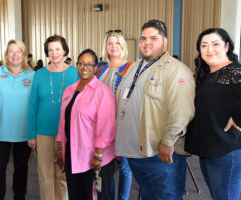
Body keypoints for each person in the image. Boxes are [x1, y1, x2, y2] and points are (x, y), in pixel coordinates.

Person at [115, 19, 195, 200]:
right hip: (135, 152)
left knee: (166, 196)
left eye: (154, 38)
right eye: (143, 38)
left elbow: (181, 110)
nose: (147, 42)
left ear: (165, 42)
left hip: (160, 153)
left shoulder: (176, 71)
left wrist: (168, 141)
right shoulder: (135, 67)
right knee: (149, 195)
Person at [185, 28, 241, 200]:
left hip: (229, 149)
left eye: (215, 44)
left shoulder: (236, 72)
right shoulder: (206, 75)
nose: (209, 49)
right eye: (204, 45)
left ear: (226, 46)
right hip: (210, 149)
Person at [56, 49, 116, 200]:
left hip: (95, 160)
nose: (85, 67)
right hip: (72, 155)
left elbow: (106, 128)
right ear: (77, 65)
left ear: (96, 67)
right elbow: (63, 121)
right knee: (76, 195)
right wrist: (59, 148)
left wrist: (98, 156)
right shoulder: (69, 90)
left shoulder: (103, 92)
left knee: (97, 196)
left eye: (90, 64)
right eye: (81, 63)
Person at [0, 40, 35, 200]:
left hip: (24, 132)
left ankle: (20, 197)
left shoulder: (32, 75)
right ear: (6, 55)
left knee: (21, 168)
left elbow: (37, 105)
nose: (15, 55)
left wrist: (34, 131)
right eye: (11, 51)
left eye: (19, 51)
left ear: (24, 54)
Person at [28, 35, 78, 200]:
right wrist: (31, 135)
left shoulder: (75, 74)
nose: (54, 53)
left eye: (57, 49)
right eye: (50, 50)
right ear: (47, 53)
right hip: (43, 132)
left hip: (66, 133)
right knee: (45, 174)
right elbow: (32, 106)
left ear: (64, 50)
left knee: (62, 175)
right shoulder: (39, 74)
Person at [96, 29, 132, 200]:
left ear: (122, 45)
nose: (113, 46)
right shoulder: (100, 68)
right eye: (110, 43)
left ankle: (123, 198)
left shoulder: (131, 67)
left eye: (117, 42)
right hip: (103, 126)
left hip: (123, 125)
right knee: (106, 165)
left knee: (125, 167)